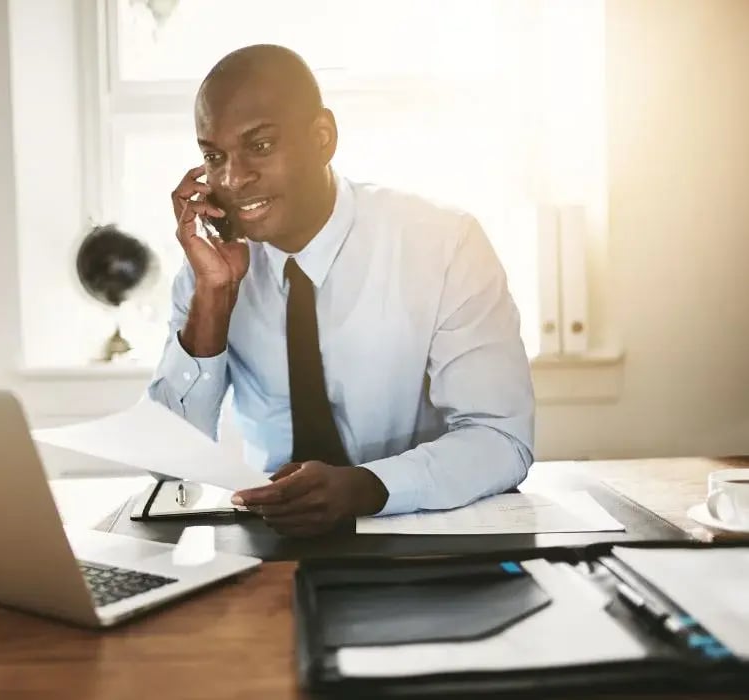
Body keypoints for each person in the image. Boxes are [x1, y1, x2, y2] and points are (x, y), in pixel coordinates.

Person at [148, 44, 535, 537]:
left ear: (323, 137)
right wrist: (213, 299)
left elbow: (502, 440)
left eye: (260, 146)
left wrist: (368, 486)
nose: (233, 178)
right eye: (213, 156)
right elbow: (169, 465)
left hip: (424, 536)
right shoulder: (211, 269)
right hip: (273, 549)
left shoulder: (443, 243)